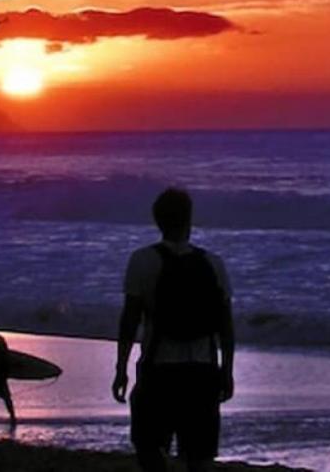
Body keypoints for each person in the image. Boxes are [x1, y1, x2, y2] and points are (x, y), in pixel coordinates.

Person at [112, 187, 235, 472]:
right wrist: (227, 370)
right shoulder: (212, 263)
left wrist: (121, 368)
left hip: (160, 368)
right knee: (200, 456)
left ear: (158, 221)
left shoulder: (142, 260)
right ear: (189, 220)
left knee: (147, 444)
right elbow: (226, 326)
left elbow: (130, 320)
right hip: (203, 370)